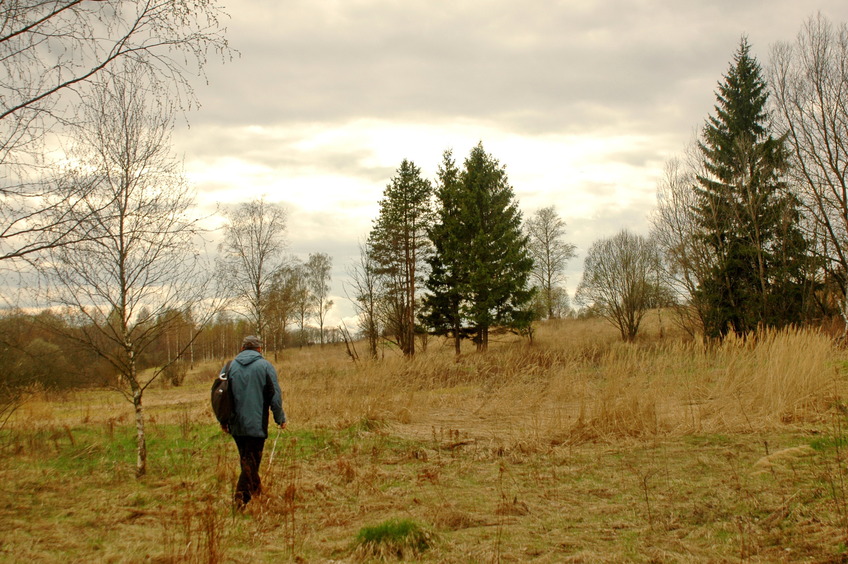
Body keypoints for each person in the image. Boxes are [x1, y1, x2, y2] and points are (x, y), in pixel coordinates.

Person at [221, 335, 286, 508]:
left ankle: (257, 492)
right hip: (256, 424)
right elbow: (275, 396)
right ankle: (241, 500)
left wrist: (223, 421)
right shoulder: (265, 366)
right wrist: (280, 418)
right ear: (259, 349)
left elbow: (221, 396)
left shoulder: (229, 367)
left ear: (242, 348)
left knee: (246, 459)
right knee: (251, 462)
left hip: (235, 425)